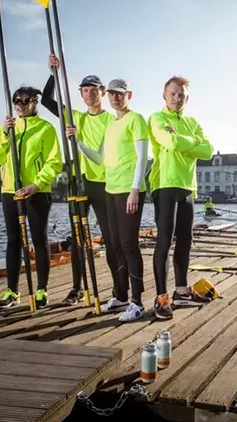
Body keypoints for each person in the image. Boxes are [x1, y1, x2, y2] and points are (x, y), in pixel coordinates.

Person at [40, 55, 117, 306]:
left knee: (110, 236)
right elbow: (45, 101)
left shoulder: (112, 119)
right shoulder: (74, 117)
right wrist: (53, 73)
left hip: (103, 184)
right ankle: (76, 289)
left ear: (102, 92)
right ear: (81, 94)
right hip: (78, 182)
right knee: (78, 238)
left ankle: (118, 289)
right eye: (85, 90)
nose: (89, 94)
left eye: (94, 90)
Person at [72, 78, 149, 322]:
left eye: (120, 94)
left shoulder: (136, 120)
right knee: (113, 243)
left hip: (130, 189)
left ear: (129, 95)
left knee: (128, 244)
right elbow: (98, 158)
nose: (116, 98)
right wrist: (77, 142)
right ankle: (121, 295)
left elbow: (143, 158)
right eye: (113, 94)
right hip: (111, 188)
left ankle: (137, 302)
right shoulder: (111, 126)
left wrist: (135, 189)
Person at [0, 86, 63, 309]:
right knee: (13, 241)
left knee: (39, 240)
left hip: (36, 192)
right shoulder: (9, 127)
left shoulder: (45, 128)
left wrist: (36, 184)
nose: (20, 105)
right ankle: (12, 291)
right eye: (16, 101)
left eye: (25, 101)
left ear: (34, 102)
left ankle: (41, 290)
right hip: (10, 190)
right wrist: (4, 134)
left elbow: (54, 162)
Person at [148, 76, 215, 320]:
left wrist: (185, 141)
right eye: (173, 94)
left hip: (187, 187)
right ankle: (161, 297)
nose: (177, 98)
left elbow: (207, 150)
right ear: (164, 95)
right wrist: (191, 143)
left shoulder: (192, 122)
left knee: (185, 239)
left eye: (181, 94)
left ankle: (181, 291)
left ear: (188, 97)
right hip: (165, 184)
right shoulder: (157, 118)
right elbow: (169, 141)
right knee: (165, 240)